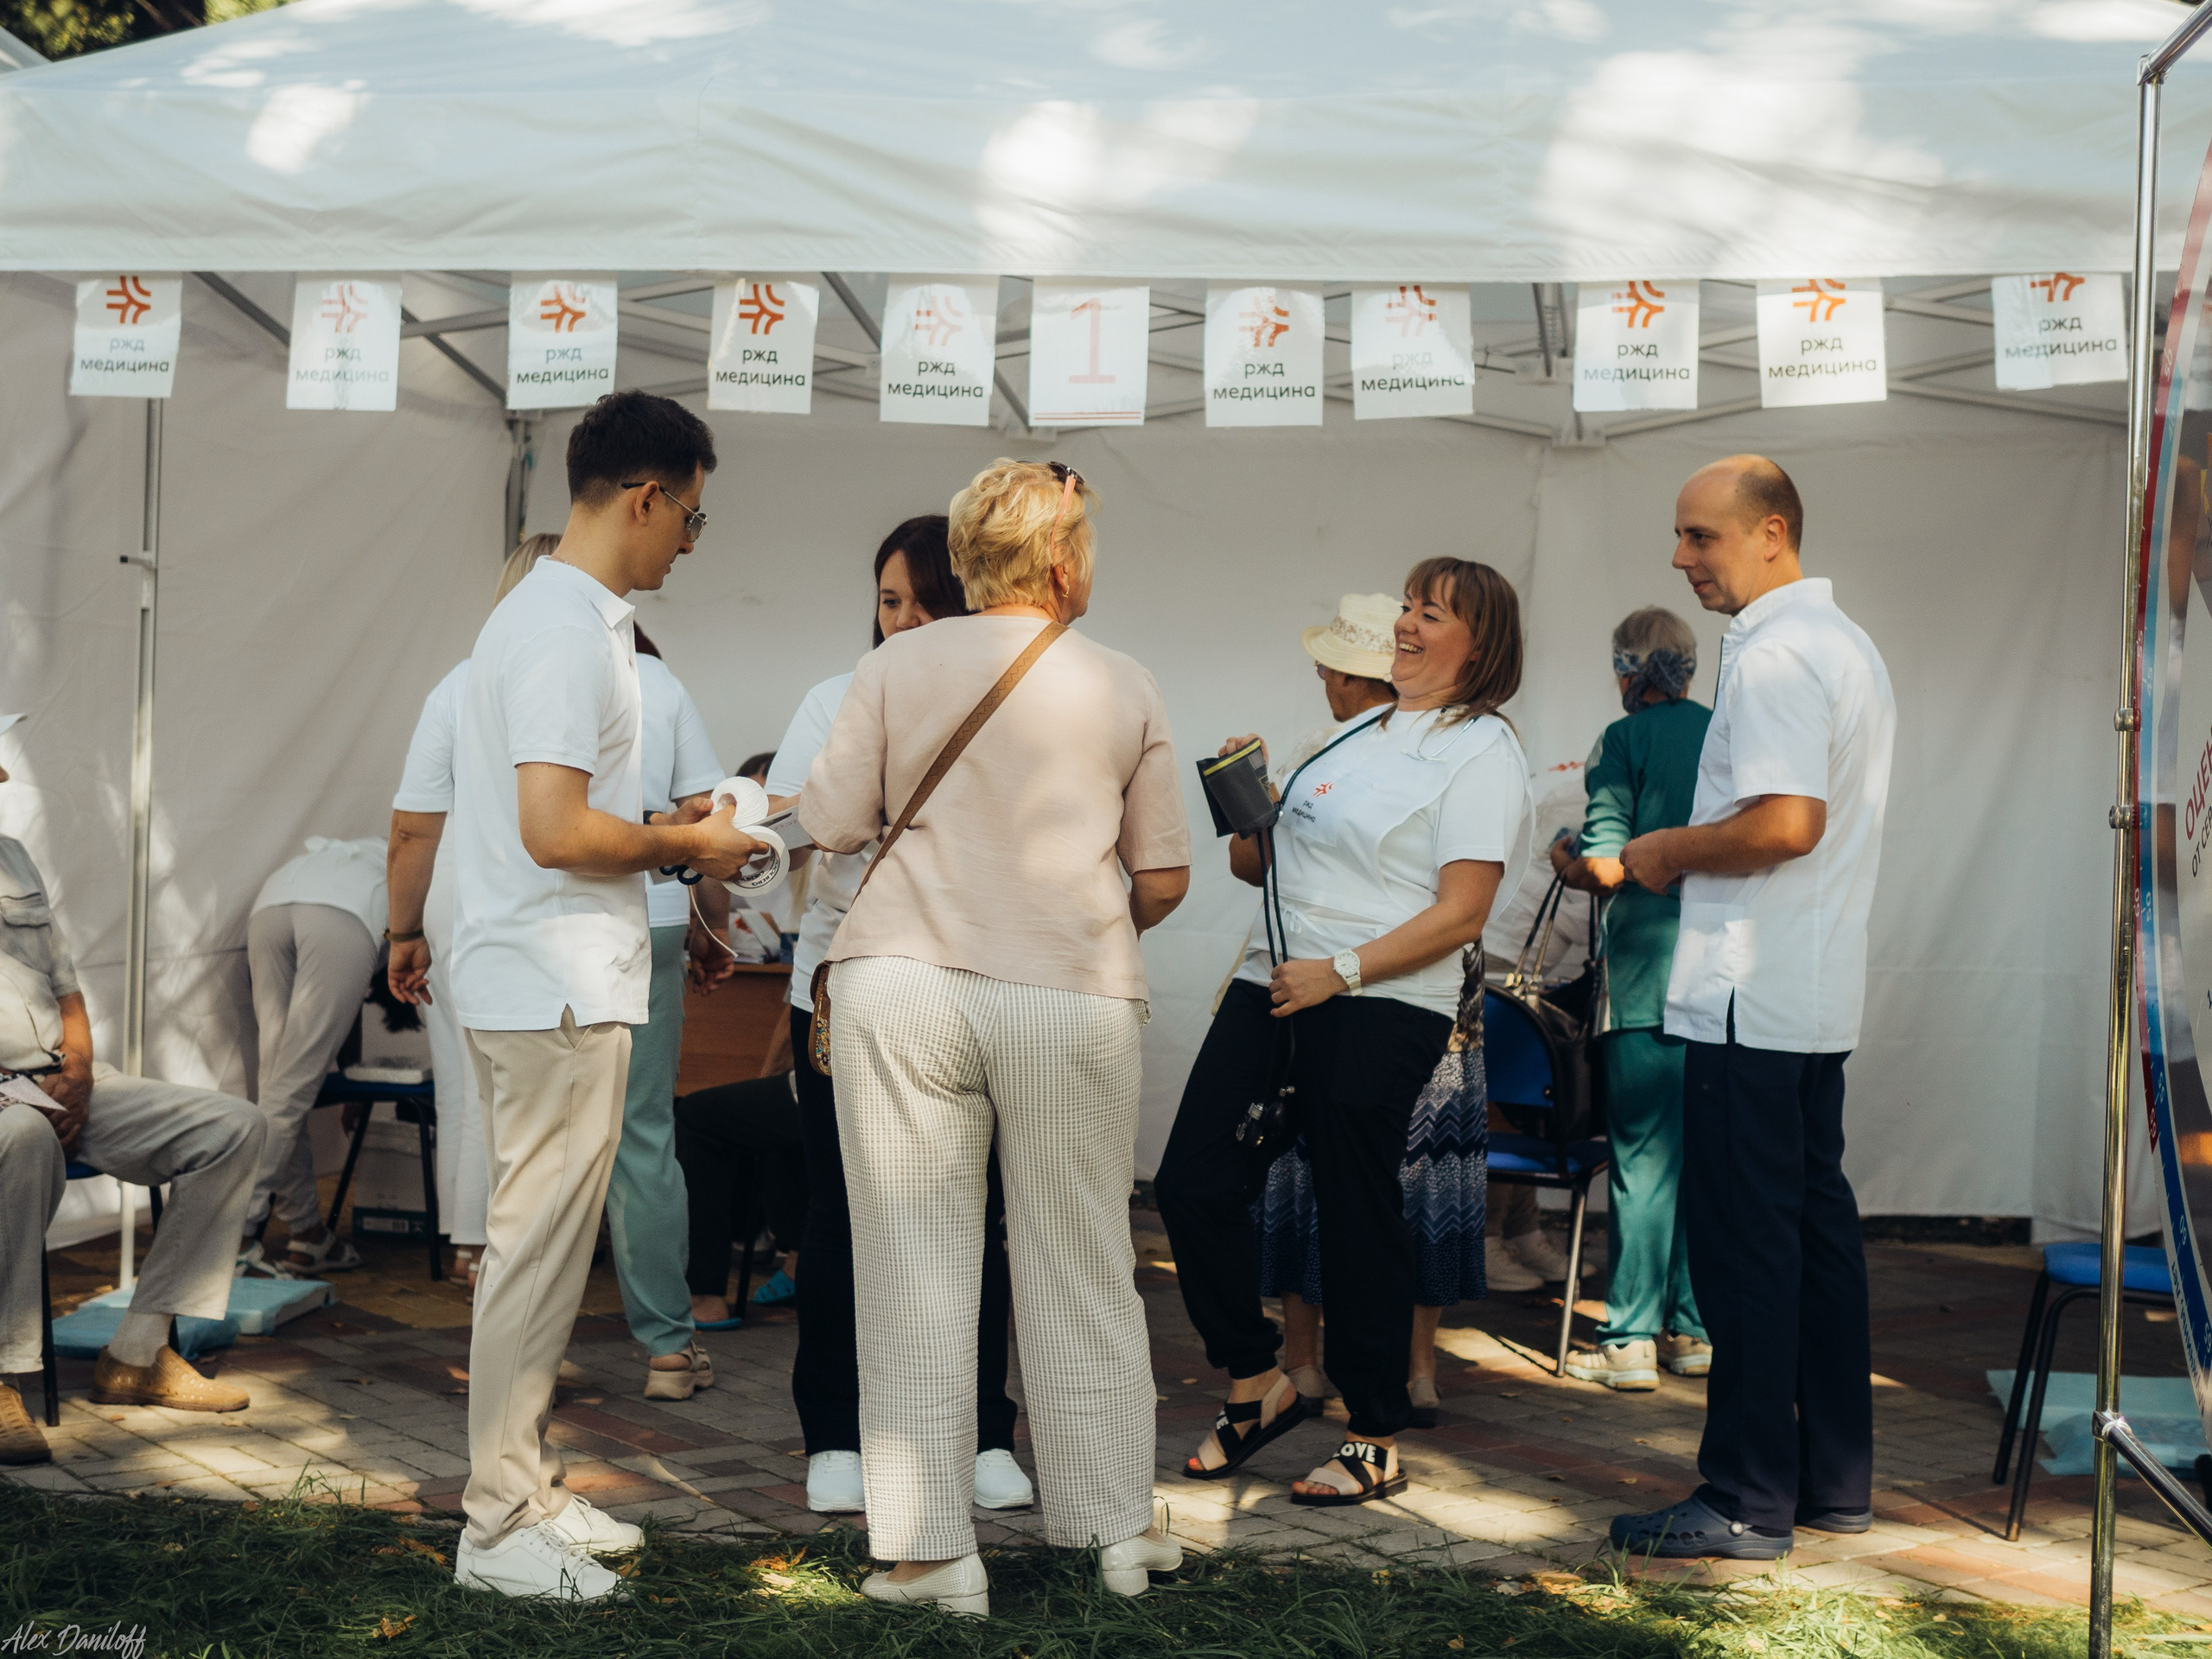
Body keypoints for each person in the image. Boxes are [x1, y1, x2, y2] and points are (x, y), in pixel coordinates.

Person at [802, 460, 1191, 1617]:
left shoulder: (892, 663)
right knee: (1082, 1263)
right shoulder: (1123, 682)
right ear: (1066, 560)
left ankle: (929, 1556)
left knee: (913, 1267)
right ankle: (1111, 1531)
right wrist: (1074, 923)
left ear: (967, 562)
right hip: (1072, 992)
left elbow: (828, 822)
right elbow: (1162, 874)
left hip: (904, 981)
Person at [445, 391, 760, 1603]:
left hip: (551, 976)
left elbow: (566, 819)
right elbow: (555, 830)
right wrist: (693, 850)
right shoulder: (567, 631)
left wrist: (674, 830)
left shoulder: (559, 619)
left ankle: (522, 1491)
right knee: (533, 1258)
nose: (690, 538)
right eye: (691, 515)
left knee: (547, 1248)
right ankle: (493, 1526)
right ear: (645, 497)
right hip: (553, 983)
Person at [1156, 558, 1530, 1508]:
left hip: (1379, 1000)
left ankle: (1373, 1435)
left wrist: (1346, 972)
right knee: (1194, 1180)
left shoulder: (1482, 750)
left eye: (1428, 612)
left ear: (1476, 645)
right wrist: (1244, 798)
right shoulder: (1348, 735)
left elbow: (1463, 912)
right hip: (1274, 982)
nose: (1404, 624)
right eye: (1405, 606)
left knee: (1353, 1207)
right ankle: (1259, 1381)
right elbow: (1256, 869)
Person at [1607, 456, 1895, 1561]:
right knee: (1814, 1236)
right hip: (1804, 992)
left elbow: (1783, 824)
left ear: (1771, 532)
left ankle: (1742, 1497)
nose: (1681, 562)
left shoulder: (1777, 653)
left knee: (1745, 1249)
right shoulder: (1843, 643)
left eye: (1700, 538)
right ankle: (1832, 1479)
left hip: (1748, 991)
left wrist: (1663, 851)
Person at [760, 515, 1034, 1517]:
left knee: (978, 1216)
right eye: (888, 600)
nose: (905, 620)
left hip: (975, 986)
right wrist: (752, 828)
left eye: (926, 599)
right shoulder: (835, 700)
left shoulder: (1017, 705)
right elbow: (786, 830)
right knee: (839, 1216)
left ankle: (979, 1434)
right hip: (842, 990)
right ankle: (835, 1432)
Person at [0, 721, 269, 1464]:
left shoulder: (12, 856)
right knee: (20, 1138)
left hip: (60, 1076)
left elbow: (66, 984)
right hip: (4, 1103)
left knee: (235, 1127)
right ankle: (2, 1376)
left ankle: (139, 1351)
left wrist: (80, 1070)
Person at [386, 534, 563, 1291]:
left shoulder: (458, 683)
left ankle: (469, 1246)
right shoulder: (570, 675)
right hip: (529, 887)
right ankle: (498, 1246)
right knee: (523, 1085)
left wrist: (406, 929)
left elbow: (411, 824)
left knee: (464, 1080)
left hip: (456, 887)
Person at [1552, 607, 1713, 1391]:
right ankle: (1692, 1331)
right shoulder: (1724, 731)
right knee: (1698, 1159)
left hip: (1647, 972)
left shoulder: (1622, 743)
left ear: (1628, 672)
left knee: (1642, 1162)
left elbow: (1609, 864)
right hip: (1723, 976)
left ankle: (1627, 1341)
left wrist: (1569, 862)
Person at [609, 622, 726, 1402]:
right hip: (646, 913)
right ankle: (668, 1354)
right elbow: (705, 829)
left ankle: (524, 1357)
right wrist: (710, 931)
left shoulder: (483, 677)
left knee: (541, 1141)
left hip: (531, 929)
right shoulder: (660, 684)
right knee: (643, 1135)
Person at [236, 834, 389, 1278]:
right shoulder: (417, 873)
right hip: (342, 916)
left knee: (279, 1086)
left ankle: (309, 1235)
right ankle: (236, 1236)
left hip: (271, 908)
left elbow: (349, 1004)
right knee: (289, 1091)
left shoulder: (355, 855)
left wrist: (351, 1077)